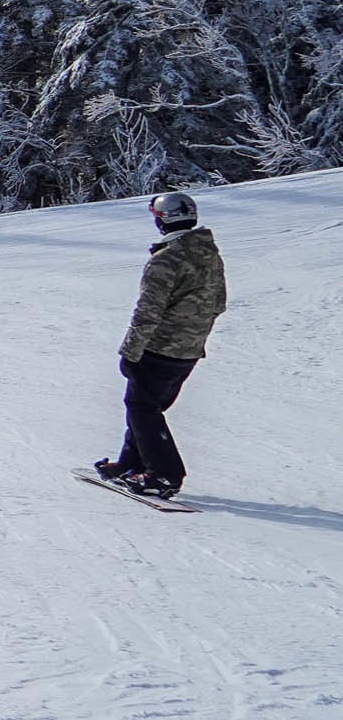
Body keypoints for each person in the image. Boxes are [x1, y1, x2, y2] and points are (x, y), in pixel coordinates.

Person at [94, 191, 228, 498]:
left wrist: (130, 352)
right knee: (146, 407)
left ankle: (164, 475)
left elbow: (147, 312)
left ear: (162, 221)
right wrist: (193, 329)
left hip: (161, 347)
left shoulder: (166, 260)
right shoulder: (208, 255)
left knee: (142, 408)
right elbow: (219, 303)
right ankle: (132, 463)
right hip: (190, 349)